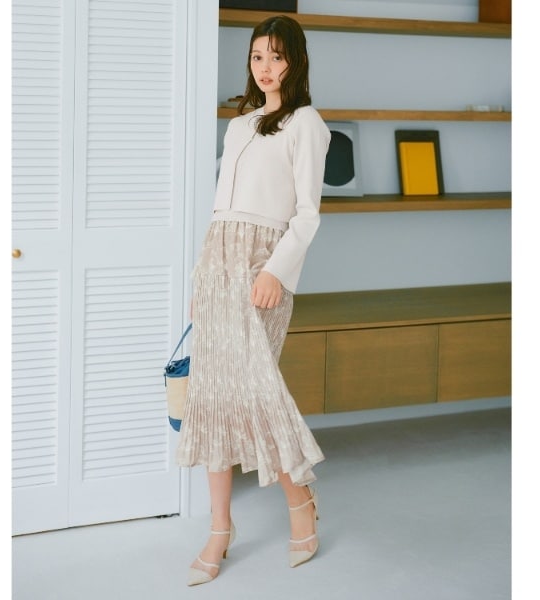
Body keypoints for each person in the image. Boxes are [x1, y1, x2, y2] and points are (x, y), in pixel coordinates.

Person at [175, 14, 331, 586]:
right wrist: (201, 278)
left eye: (277, 56)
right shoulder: (239, 125)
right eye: (257, 56)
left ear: (296, 61)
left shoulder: (306, 124)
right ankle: (220, 528)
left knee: (257, 395)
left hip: (263, 265)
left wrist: (276, 272)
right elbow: (221, 211)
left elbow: (307, 214)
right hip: (219, 263)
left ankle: (300, 500)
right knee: (213, 397)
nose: (265, 67)